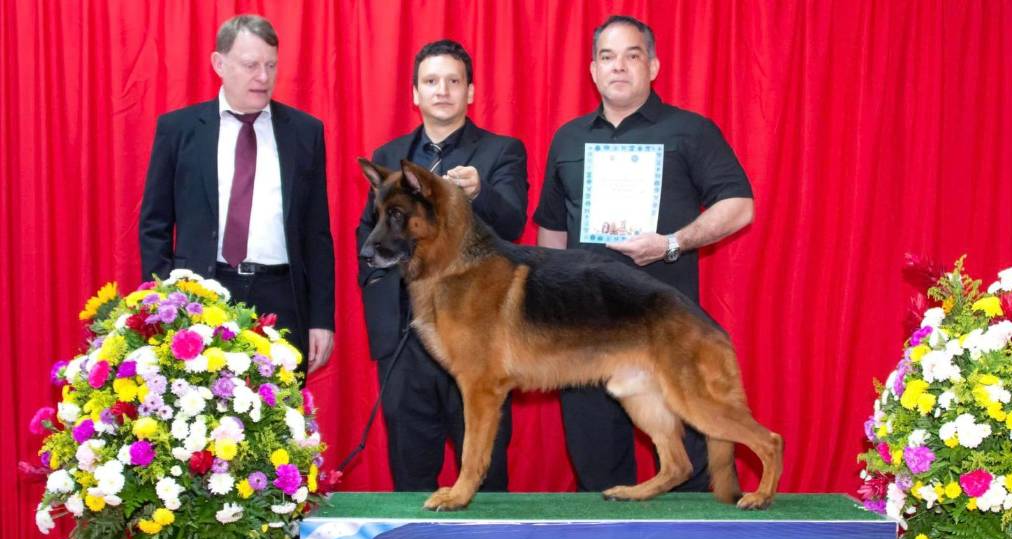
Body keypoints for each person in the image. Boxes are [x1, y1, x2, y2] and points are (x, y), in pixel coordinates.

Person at [533, 15, 754, 493]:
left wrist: (671, 243)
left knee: (695, 467)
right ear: (592, 70)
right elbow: (550, 229)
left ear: (652, 66)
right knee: (596, 473)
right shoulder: (568, 139)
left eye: (632, 55)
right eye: (607, 57)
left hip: (664, 328)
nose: (619, 67)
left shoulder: (690, 131)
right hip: (583, 334)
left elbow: (739, 206)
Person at [356, 40, 528, 492]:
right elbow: (368, 232)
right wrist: (378, 291)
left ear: (470, 92)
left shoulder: (500, 152)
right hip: (404, 336)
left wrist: (480, 193)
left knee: (484, 474)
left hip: (476, 333)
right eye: (431, 81)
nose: (443, 90)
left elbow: (513, 224)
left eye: (454, 81)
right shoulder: (389, 154)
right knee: (410, 470)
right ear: (415, 93)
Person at [139, 15, 335, 374]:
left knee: (281, 422)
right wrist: (163, 302)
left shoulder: (305, 133)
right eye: (251, 65)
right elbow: (154, 224)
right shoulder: (178, 130)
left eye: (271, 65)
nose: (263, 77)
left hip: (282, 298)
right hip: (202, 297)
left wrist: (321, 318)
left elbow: (317, 234)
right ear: (219, 64)